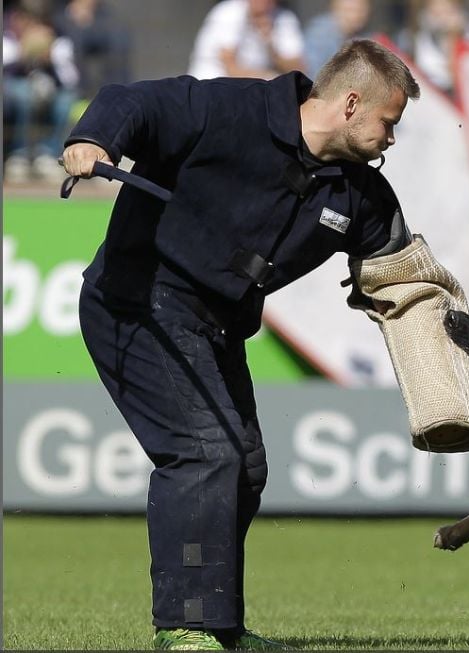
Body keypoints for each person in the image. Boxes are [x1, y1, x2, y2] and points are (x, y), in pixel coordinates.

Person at [60, 38, 420, 650]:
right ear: (352, 103)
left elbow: (405, 272)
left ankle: (220, 627)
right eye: (389, 123)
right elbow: (132, 101)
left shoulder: (358, 194)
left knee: (245, 470)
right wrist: (94, 141)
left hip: (216, 324)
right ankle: (185, 625)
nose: (392, 139)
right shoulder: (230, 110)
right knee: (206, 454)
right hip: (137, 300)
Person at [3, 0, 79, 181]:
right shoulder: (8, 37)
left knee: (66, 99)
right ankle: (19, 154)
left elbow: (71, 79)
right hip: (12, 91)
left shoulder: (59, 40)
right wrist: (23, 54)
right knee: (24, 93)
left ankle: (49, 154)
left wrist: (51, 58)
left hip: (50, 90)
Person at [188, 0, 305, 80]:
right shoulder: (229, 12)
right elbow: (231, 69)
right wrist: (270, 77)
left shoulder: (285, 18)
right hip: (210, 87)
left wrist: (270, 45)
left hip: (252, 91)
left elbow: (299, 70)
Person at [394, 0, 469, 97]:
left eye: (448, 9)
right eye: (436, 11)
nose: (442, 17)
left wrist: (453, 38)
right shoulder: (413, 35)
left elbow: (462, 75)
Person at [52, 0, 132, 100]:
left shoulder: (107, 18)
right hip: (57, 14)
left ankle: (119, 98)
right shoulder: (58, 16)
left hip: (93, 13)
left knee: (119, 36)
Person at [304, 0, 372, 76]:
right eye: (350, 10)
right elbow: (313, 75)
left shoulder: (364, 34)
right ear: (335, 8)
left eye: (361, 10)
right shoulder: (319, 33)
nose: (356, 16)